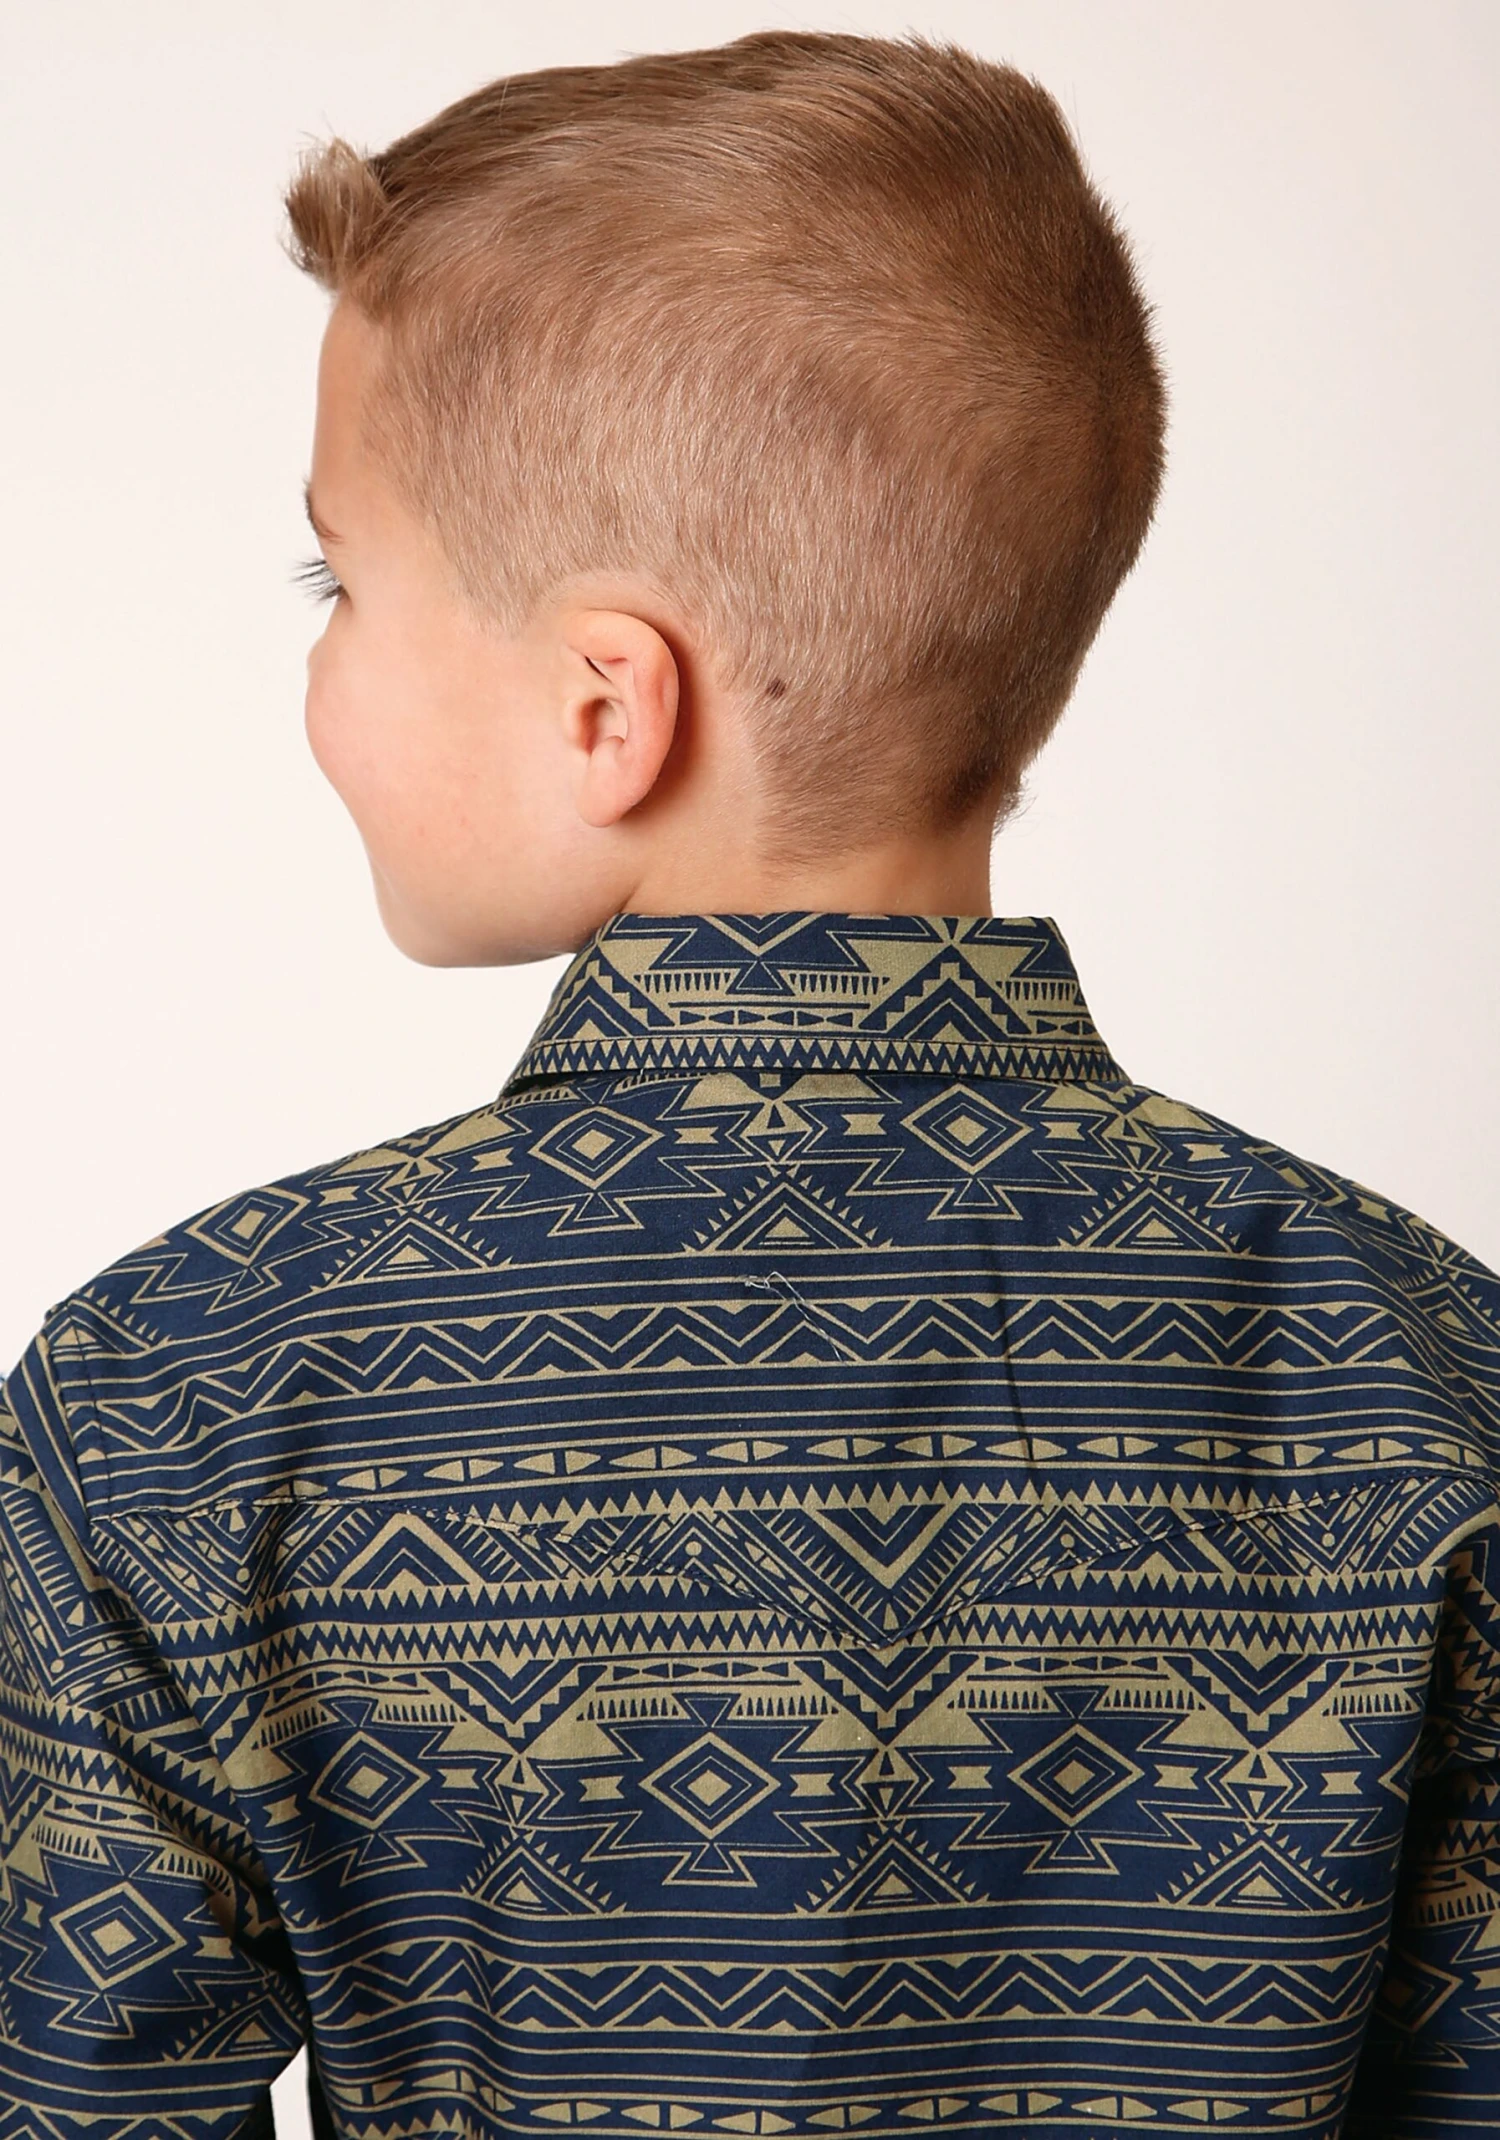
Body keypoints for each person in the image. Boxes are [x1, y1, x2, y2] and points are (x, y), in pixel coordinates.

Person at [1, 28, 1495, 2140]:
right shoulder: (1429, 1373)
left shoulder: (176, 1397)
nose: (318, 666)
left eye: (341, 580)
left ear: (609, 704)